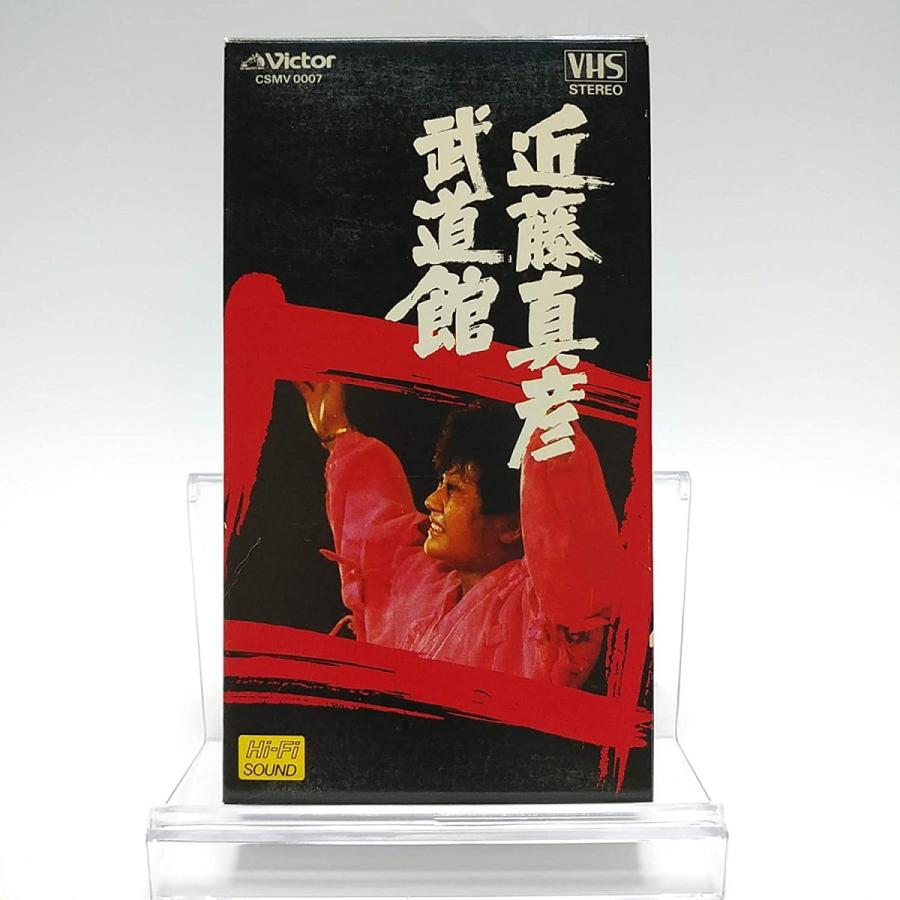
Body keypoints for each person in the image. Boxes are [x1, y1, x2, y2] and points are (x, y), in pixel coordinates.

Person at [295, 381, 624, 688]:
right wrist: (337, 433)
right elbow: (377, 527)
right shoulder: (423, 584)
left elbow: (572, 546)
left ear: (512, 526)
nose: (431, 501)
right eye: (441, 485)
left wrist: (549, 423)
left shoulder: (540, 616)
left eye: (453, 489)